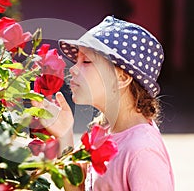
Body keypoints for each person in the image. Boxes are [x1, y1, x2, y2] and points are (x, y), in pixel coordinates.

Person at [33, 16, 174, 190]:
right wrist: (64, 134)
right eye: (76, 61)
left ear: (121, 78)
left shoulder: (142, 150)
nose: (74, 69)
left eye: (86, 61)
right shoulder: (103, 132)